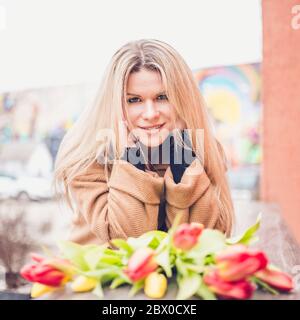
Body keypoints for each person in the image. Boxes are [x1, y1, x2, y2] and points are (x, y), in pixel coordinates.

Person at [54, 39, 234, 248]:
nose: (150, 114)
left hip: (172, 280)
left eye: (162, 97)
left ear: (183, 99)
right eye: (134, 100)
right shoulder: (89, 161)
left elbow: (204, 241)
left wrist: (182, 161)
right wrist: (131, 160)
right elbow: (128, 242)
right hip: (103, 279)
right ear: (115, 104)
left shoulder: (205, 150)